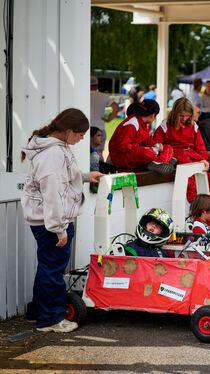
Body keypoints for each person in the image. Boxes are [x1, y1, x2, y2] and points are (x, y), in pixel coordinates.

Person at [21, 108, 103, 333]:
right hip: (52, 222)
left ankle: (37, 310)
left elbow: (63, 178)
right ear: (68, 131)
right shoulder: (53, 154)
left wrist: (86, 176)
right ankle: (50, 320)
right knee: (54, 270)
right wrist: (59, 229)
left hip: (47, 221)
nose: (82, 138)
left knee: (47, 266)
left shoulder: (55, 147)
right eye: (79, 134)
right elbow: (53, 195)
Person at [153, 98, 210, 203]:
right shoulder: (166, 124)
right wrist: (158, 148)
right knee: (189, 176)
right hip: (174, 154)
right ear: (175, 113)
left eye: (187, 115)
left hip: (190, 153)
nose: (184, 118)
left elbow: (200, 146)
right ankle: (193, 204)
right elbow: (156, 142)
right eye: (181, 116)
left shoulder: (193, 125)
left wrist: (203, 159)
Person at [108, 100, 175, 174]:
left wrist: (155, 144)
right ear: (153, 115)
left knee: (168, 148)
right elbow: (122, 147)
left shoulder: (145, 123)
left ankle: (157, 163)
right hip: (121, 156)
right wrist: (144, 148)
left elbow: (146, 140)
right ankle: (160, 162)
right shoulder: (132, 124)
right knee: (148, 153)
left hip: (139, 152)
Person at [90, 76, 119, 151]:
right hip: (100, 128)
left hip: (85, 128)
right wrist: (109, 119)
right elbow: (116, 107)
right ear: (97, 85)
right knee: (99, 154)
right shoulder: (103, 96)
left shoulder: (82, 96)